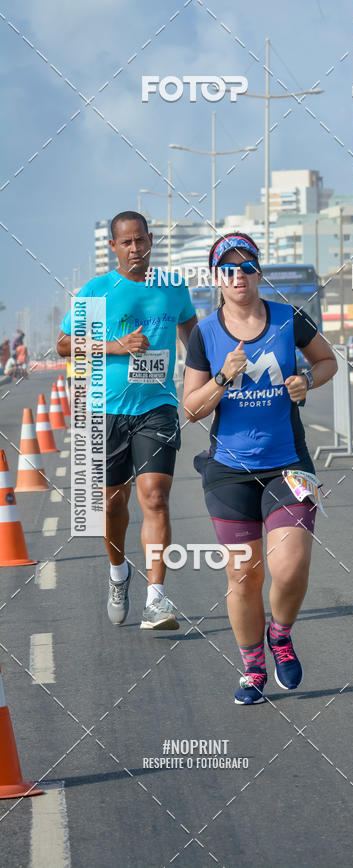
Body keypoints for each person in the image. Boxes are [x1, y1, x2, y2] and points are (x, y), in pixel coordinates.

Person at [183, 232, 337, 705]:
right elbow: (191, 409)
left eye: (247, 266)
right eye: (228, 269)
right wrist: (224, 378)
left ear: (258, 271)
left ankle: (281, 634)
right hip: (229, 471)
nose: (239, 276)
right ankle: (253, 668)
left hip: (288, 463)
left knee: (290, 568)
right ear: (216, 278)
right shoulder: (204, 334)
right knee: (244, 577)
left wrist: (306, 379)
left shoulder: (289, 318)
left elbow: (328, 360)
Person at [57, 211, 197, 630]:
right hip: (104, 410)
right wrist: (115, 346)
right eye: (127, 243)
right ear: (114, 248)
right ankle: (119, 573)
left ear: (151, 240)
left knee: (154, 496)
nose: (136, 249)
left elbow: (193, 336)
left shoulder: (173, 289)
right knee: (112, 504)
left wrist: (212, 379)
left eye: (141, 240)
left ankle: (157, 600)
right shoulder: (98, 290)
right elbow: (64, 346)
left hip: (157, 407)